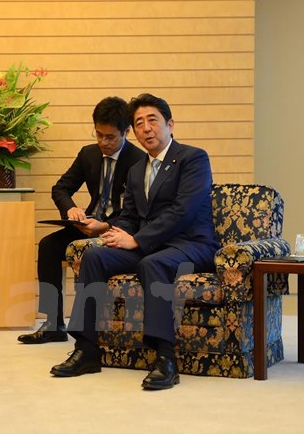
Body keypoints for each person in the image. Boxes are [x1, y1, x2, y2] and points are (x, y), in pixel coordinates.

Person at [50, 93, 219, 390]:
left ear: (169, 124)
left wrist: (137, 240)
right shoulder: (137, 168)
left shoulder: (193, 158)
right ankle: (87, 350)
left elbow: (184, 211)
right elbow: (129, 215)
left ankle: (165, 358)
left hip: (190, 243)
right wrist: (113, 232)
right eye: (139, 123)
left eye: (152, 120)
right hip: (151, 245)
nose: (146, 128)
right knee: (94, 256)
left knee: (153, 264)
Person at [18, 96, 145, 344]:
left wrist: (105, 226)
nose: (103, 142)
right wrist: (72, 210)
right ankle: (54, 323)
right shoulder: (89, 154)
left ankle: (87, 327)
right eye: (98, 134)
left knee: (90, 253)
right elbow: (60, 188)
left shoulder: (139, 161)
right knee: (48, 246)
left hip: (119, 229)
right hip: (88, 224)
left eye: (110, 137)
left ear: (126, 132)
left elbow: (139, 211)